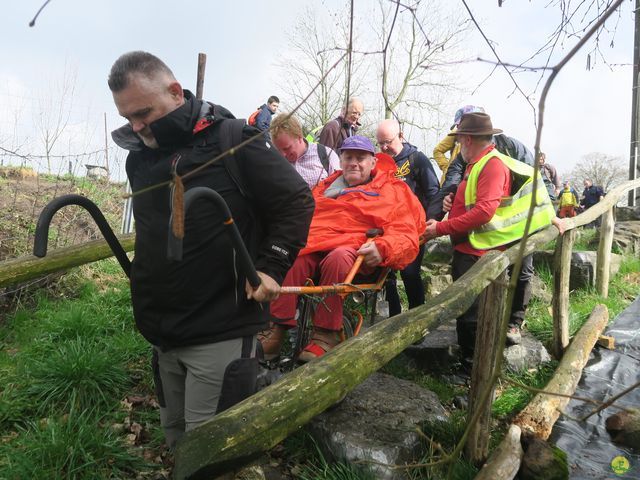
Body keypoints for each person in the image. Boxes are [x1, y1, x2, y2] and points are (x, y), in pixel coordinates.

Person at [108, 51, 314, 448]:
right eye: (127, 118)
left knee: (210, 449)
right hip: (162, 329)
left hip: (220, 325)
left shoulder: (235, 140)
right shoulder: (140, 157)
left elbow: (296, 202)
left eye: (143, 113)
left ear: (173, 91)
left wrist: (272, 266)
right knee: (175, 438)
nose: (136, 126)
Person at [261, 135, 426, 362]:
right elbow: (303, 218)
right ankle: (276, 327)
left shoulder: (393, 190)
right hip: (317, 245)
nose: (354, 163)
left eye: (361, 158)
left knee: (337, 258)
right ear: (341, 160)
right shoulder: (325, 187)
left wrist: (384, 247)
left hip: (355, 252)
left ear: (373, 162)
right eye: (349, 157)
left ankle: (325, 334)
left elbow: (405, 230)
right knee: (295, 257)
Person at [423, 113, 555, 366]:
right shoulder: (478, 163)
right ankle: (470, 363)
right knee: (467, 311)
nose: (458, 145)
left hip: (479, 253)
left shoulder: (491, 164)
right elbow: (475, 200)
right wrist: (454, 202)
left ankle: (474, 369)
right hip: (469, 248)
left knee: (473, 314)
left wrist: (440, 228)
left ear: (467, 139)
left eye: (459, 139)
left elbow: (484, 212)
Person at [376, 119, 439, 316]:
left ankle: (416, 320)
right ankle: (394, 319)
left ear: (400, 136)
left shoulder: (417, 159)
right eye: (380, 143)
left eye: (388, 142)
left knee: (410, 273)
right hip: (386, 230)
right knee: (386, 277)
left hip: (413, 229)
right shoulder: (378, 162)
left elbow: (433, 192)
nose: (385, 147)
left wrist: (431, 221)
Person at [271, 113, 340, 188]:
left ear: (299, 137)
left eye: (287, 148)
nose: (283, 154)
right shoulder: (275, 163)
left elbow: (340, 189)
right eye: (278, 150)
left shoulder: (326, 155)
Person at [433, 105, 484, 184]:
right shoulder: (455, 135)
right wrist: (447, 168)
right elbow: (437, 150)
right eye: (457, 125)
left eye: (460, 123)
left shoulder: (485, 140)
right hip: (451, 181)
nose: (458, 127)